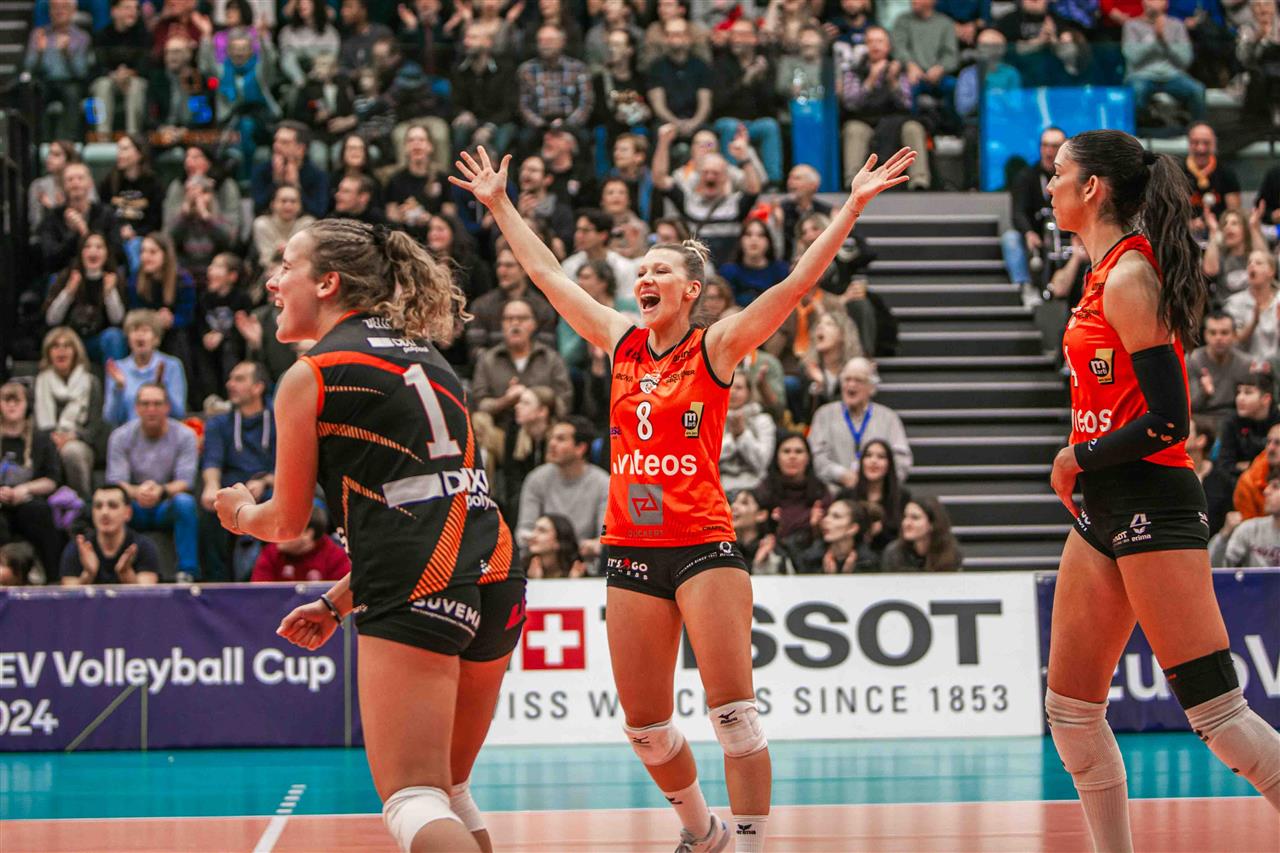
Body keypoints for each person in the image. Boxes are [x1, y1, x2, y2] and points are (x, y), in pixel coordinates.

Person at [452, 141, 914, 852]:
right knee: (644, 727)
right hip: (631, 549)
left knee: (734, 717)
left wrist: (851, 206)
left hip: (703, 546)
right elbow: (546, 274)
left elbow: (794, 284)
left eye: (660, 270)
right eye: (641, 270)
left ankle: (751, 845)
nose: (645, 277)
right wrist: (499, 204)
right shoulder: (620, 340)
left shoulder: (716, 347)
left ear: (691, 290)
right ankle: (704, 831)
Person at [213, 217, 526, 853]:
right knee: (450, 791)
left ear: (327, 283)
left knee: (413, 799)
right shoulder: (428, 356)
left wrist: (240, 512)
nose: (272, 282)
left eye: (286, 267)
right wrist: (338, 602)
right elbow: (436, 503)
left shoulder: (313, 373)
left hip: (419, 582)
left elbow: (288, 523)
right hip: (495, 572)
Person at [1045, 128, 1280, 851]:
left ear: (1092, 188)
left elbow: (1169, 420)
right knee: (1071, 713)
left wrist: (1077, 455)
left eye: (1058, 173)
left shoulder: (1128, 276)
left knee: (1218, 717)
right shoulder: (1099, 272)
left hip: (1154, 498)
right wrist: (1086, 463)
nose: (1048, 185)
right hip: (1103, 508)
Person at [106, 382, 199, 582]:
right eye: (145, 404)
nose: (151, 409)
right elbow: (116, 482)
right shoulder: (120, 436)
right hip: (133, 505)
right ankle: (109, 571)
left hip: (166, 504)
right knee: (108, 505)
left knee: (185, 503)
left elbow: (186, 481)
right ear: (136, 408)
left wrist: (161, 491)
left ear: (167, 407)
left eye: (157, 404)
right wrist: (137, 492)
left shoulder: (185, 435)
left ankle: (187, 573)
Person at [200, 361, 276, 581]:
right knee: (212, 504)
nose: (230, 384)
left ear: (258, 387)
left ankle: (268, 578)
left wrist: (266, 481)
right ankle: (216, 584)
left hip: (270, 487)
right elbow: (212, 462)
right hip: (232, 486)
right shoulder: (219, 423)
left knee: (279, 501)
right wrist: (211, 486)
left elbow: (290, 465)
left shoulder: (279, 418)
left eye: (239, 379)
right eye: (230, 379)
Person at [513, 416, 610, 560]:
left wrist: (591, 545)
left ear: (580, 448)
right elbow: (523, 531)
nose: (552, 444)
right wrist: (543, 541)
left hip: (584, 564)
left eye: (561, 439)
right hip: (543, 561)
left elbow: (604, 537)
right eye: (552, 438)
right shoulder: (536, 478)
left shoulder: (603, 483)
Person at [809, 356, 912, 489]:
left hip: (877, 493)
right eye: (847, 379)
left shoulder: (888, 418)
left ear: (871, 387)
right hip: (834, 493)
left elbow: (902, 460)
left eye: (858, 380)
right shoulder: (824, 415)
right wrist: (841, 475)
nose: (851, 385)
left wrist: (875, 480)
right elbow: (815, 457)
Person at [0, 381, 66, 583]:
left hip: (29, 501)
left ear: (27, 404)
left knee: (40, 512)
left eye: (17, 400)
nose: (12, 405)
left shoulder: (41, 439)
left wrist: (25, 489)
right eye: (6, 400)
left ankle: (53, 578)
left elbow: (53, 480)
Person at [34, 328, 104, 498]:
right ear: (48, 352)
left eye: (67, 346)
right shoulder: (40, 382)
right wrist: (52, 438)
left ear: (75, 352)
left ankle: (83, 504)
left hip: (80, 441)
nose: (61, 351)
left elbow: (95, 426)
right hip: (45, 441)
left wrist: (74, 436)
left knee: (71, 452)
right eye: (55, 346)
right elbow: (34, 423)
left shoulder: (91, 382)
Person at [59, 484, 162, 585]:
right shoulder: (78, 548)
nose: (104, 512)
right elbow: (68, 594)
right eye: (98, 506)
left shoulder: (144, 547)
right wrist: (88, 574)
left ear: (128, 512)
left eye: (113, 506)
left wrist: (126, 573)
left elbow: (148, 593)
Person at [1186, 310, 1254, 431]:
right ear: (1205, 335)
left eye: (1224, 333)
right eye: (1213, 333)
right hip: (1202, 420)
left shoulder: (1245, 364)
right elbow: (1189, 406)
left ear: (1234, 335)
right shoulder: (1192, 360)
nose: (1218, 338)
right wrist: (1204, 393)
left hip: (1234, 421)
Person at [250, 505, 351, 582]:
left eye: (285, 528)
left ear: (308, 533)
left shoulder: (336, 557)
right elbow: (259, 594)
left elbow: (344, 597)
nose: (277, 533)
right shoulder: (270, 552)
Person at [1215, 371, 1280, 479]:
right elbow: (1225, 466)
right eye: (1238, 392)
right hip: (1240, 483)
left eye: (1248, 392)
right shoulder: (1231, 422)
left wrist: (1248, 466)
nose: (1240, 398)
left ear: (1266, 399)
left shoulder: (1277, 421)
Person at [720, 371, 776, 493]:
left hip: (755, 488)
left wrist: (742, 435)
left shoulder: (763, 420)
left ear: (749, 392)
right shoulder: (711, 420)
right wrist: (733, 438)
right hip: (719, 488)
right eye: (728, 386)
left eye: (738, 387)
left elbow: (761, 463)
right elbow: (707, 460)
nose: (733, 391)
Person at [1223, 250, 1280, 363]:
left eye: (1258, 263)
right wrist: (1254, 322)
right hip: (1244, 366)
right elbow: (1232, 341)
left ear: (1271, 271)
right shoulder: (1235, 302)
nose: (1252, 265)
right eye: (1249, 262)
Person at [1212, 476, 1280, 567]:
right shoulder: (1250, 529)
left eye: (1275, 486)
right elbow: (1216, 567)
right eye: (1268, 485)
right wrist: (1224, 536)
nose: (1266, 491)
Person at [879, 497, 961, 571]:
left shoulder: (951, 553)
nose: (906, 523)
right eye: (905, 517)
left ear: (932, 524)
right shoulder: (894, 554)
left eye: (915, 518)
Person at [729, 488, 792, 574]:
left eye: (744, 503)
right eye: (734, 501)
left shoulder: (775, 552)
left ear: (761, 515)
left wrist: (760, 565)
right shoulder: (726, 547)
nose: (733, 506)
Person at [522, 513, 587, 578]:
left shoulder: (577, 570)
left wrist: (574, 582)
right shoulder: (522, 569)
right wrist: (533, 581)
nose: (533, 535)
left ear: (559, 540)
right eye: (534, 529)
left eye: (542, 531)